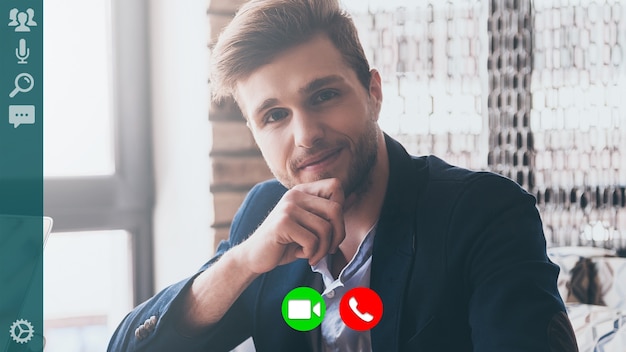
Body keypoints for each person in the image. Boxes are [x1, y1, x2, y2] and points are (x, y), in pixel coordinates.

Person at [108, 0, 578, 351]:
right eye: (274, 116)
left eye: (324, 95)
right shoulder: (263, 215)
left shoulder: (484, 213)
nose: (307, 135)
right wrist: (242, 262)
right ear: (254, 132)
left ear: (373, 92)